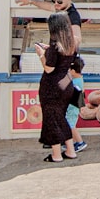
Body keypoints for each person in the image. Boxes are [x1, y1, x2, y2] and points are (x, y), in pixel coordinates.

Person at [35, 11, 78, 162]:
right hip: (66, 84)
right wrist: (48, 50)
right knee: (61, 117)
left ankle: (56, 154)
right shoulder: (72, 42)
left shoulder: (55, 45)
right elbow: (65, 59)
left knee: (51, 119)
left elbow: (49, 68)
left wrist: (41, 53)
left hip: (51, 86)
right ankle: (71, 151)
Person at [18, 0, 83, 46]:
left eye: (60, 1)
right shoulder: (61, 9)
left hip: (63, 55)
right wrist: (31, 1)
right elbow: (47, 6)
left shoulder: (72, 16)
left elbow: (77, 39)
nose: (56, 4)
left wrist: (61, 47)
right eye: (54, 1)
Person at [65, 55, 87, 153]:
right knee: (69, 124)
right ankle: (73, 142)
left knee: (71, 125)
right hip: (73, 106)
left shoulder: (75, 82)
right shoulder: (79, 79)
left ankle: (80, 142)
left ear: (73, 71)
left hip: (72, 107)